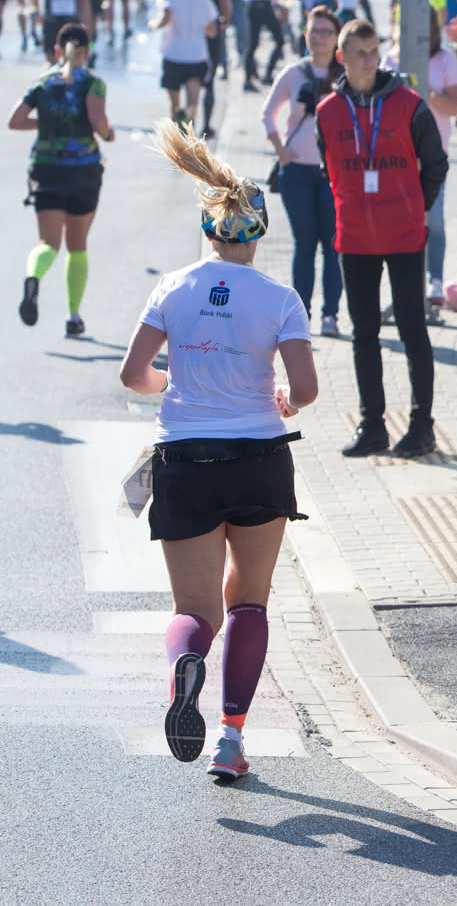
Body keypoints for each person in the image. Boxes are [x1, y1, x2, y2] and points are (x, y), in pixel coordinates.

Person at [120, 119, 317, 782]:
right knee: (250, 603)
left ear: (208, 227)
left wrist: (170, 384)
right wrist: (284, 395)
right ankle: (231, 740)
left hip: (187, 458)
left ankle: (186, 665)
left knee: (195, 611)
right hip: (260, 458)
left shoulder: (172, 289)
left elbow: (133, 374)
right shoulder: (281, 298)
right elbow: (308, 389)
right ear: (259, 232)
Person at [314, 19, 448, 459]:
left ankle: (421, 426)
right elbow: (327, 167)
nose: (369, 60)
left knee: (413, 330)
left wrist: (413, 205)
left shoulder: (409, 104)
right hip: (354, 237)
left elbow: (436, 164)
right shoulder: (328, 111)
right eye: (360, 53)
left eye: (374, 51)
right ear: (342, 57)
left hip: (405, 235)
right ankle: (372, 426)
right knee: (364, 334)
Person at [10, 23, 111, 336]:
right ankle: (73, 315)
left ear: (57, 50)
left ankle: (33, 278)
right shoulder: (93, 84)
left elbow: (15, 121)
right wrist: (108, 133)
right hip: (83, 170)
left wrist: (49, 125)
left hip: (46, 168)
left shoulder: (42, 83)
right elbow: (97, 121)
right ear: (87, 51)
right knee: (77, 246)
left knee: (47, 244)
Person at [263, 5, 344, 337]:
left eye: (326, 32)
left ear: (337, 37)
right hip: (296, 170)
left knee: (334, 244)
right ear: (305, 34)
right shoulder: (294, 73)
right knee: (304, 244)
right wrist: (282, 151)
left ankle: (331, 315)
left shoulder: (347, 73)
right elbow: (268, 114)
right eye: (314, 31)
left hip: (335, 173)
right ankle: (301, 316)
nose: (319, 38)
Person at [384, 8, 457, 309]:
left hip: (433, 156)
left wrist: (424, 93)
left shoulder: (445, 60)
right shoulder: (391, 59)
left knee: (434, 221)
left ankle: (435, 280)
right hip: (396, 157)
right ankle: (403, 290)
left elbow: (456, 107)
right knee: (399, 225)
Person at [153, 0, 218, 128]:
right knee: (192, 104)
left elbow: (166, 17)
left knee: (174, 106)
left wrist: (153, 24)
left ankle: (178, 140)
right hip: (196, 56)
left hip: (173, 54)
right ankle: (189, 131)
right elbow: (212, 29)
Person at [187, 0, 231, 140]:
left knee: (191, 79)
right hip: (212, 32)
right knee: (209, 79)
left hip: (192, 32)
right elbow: (225, 5)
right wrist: (223, 24)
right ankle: (206, 125)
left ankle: (189, 123)